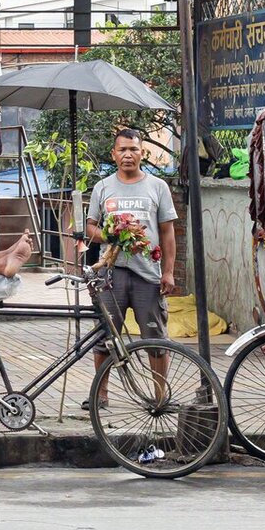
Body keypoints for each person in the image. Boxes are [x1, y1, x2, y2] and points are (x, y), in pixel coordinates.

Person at [84, 128, 178, 410]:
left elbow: (167, 233)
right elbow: (90, 227)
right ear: (113, 154)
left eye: (133, 149)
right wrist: (109, 235)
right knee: (104, 337)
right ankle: (100, 395)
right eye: (122, 150)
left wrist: (169, 272)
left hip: (147, 274)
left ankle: (160, 395)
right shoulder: (102, 187)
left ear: (142, 153)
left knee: (155, 338)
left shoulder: (157, 187)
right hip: (111, 274)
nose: (128, 155)